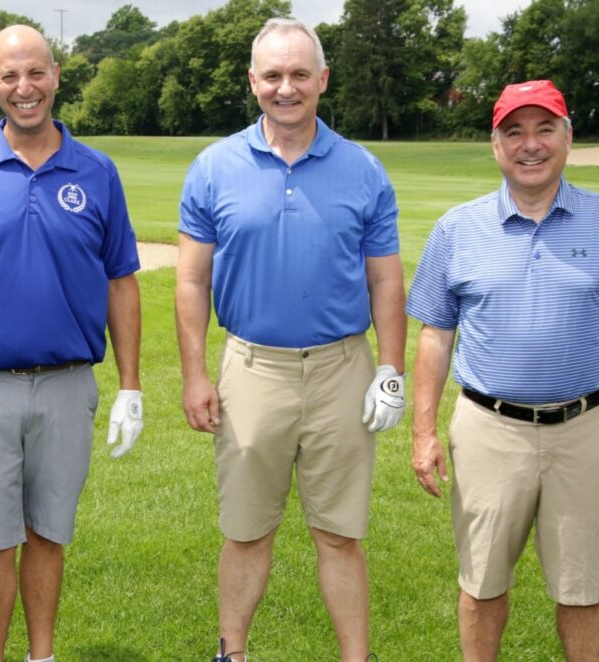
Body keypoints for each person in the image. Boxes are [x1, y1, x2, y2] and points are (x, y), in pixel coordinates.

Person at [176, 18, 406, 662]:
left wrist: (391, 369)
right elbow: (191, 280)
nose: (287, 87)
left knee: (340, 534)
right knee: (246, 531)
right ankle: (232, 653)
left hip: (342, 368)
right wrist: (195, 374)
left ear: (322, 80)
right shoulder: (214, 167)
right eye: (273, 75)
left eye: (300, 74)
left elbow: (386, 278)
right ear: (253, 81)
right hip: (252, 368)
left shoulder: (363, 169)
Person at [408, 79, 599, 661]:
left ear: (568, 138)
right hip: (488, 429)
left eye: (545, 129)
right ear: (495, 145)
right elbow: (435, 335)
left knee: (584, 589)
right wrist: (423, 433)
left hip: (586, 429)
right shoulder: (457, 228)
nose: (531, 145)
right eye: (515, 132)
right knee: (482, 584)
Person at [0, 25, 143, 662]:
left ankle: (42, 656)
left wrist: (130, 386)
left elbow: (121, 282)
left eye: (36, 72)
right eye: (10, 76)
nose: (25, 88)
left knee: (48, 534)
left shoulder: (97, 172)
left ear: (56, 76)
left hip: (68, 385)